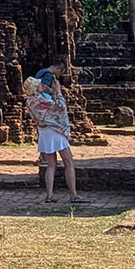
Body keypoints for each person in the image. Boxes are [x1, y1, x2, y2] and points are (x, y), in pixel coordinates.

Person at [22, 72, 86, 204]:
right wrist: (58, 92)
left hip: (44, 132)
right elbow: (59, 107)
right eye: (39, 84)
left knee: (51, 165)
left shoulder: (30, 101)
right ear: (35, 87)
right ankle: (73, 195)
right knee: (69, 163)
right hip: (55, 131)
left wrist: (51, 92)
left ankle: (49, 195)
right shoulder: (40, 100)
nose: (41, 85)